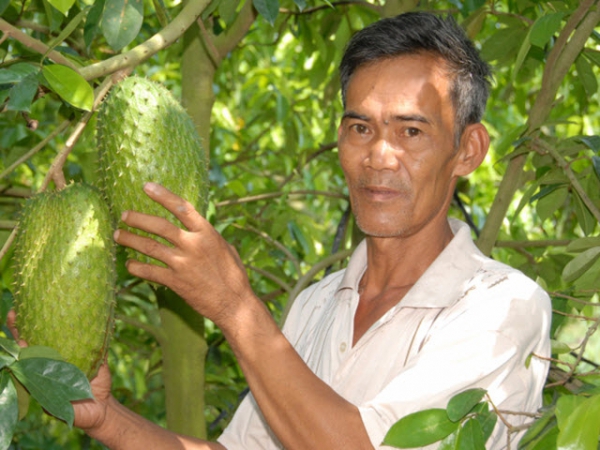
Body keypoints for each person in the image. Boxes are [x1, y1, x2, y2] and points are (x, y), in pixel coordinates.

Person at [23, 11, 552, 450]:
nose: (378, 157)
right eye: (359, 128)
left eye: (410, 131)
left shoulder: (503, 306)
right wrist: (107, 417)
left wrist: (235, 307)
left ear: (468, 150)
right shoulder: (317, 305)